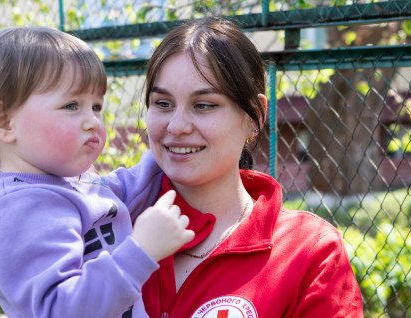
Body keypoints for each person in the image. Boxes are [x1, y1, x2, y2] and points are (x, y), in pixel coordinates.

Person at [0, 26, 194, 318]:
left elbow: (120, 190)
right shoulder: (15, 211)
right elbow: (59, 309)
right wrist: (141, 251)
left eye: (96, 106)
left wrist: (166, 154)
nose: (93, 122)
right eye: (72, 105)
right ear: (4, 121)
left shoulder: (62, 182)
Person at [139, 17, 364, 317]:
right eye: (163, 103)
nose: (177, 126)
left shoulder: (309, 250)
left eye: (204, 105)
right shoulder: (104, 225)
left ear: (255, 116)